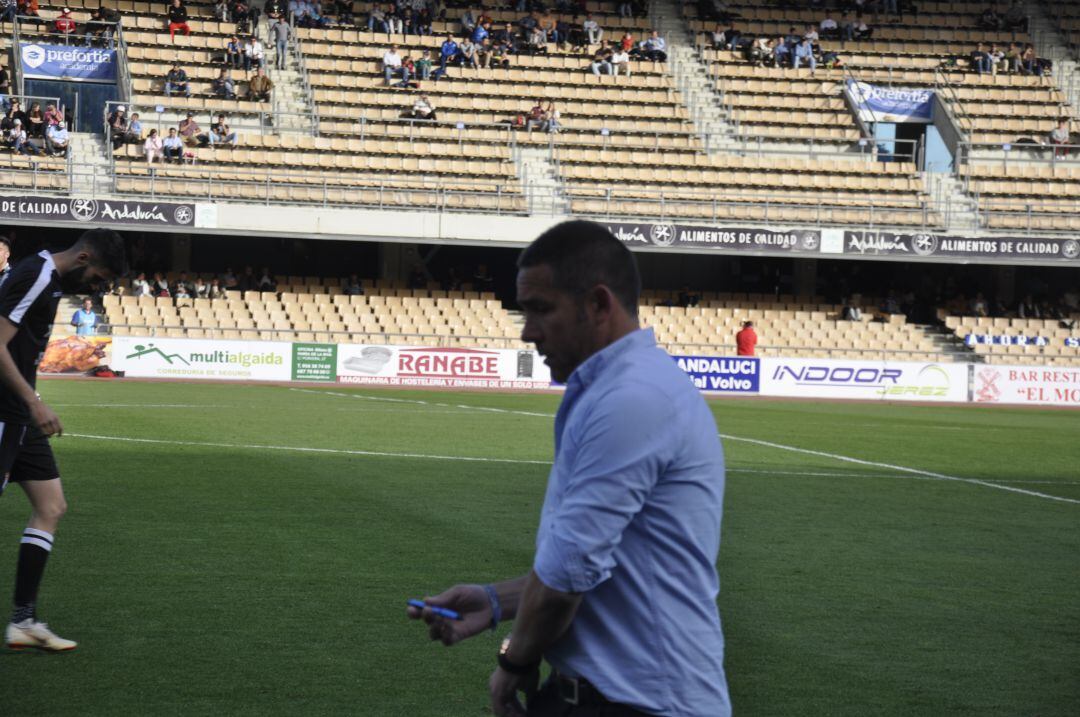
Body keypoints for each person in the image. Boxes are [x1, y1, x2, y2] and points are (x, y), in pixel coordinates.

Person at [408, 221, 731, 717]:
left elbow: (567, 578)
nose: (527, 331)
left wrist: (514, 664)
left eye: (540, 309)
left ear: (599, 304)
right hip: (601, 698)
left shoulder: (632, 398)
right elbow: (599, 567)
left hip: (638, 705)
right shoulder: (618, 388)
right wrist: (494, 601)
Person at [0, 228, 127, 653]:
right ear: (84, 257)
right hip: (5, 410)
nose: (98, 287)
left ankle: (23, 622)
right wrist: (34, 403)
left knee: (51, 507)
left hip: (19, 414)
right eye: (98, 278)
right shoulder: (33, 274)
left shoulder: (46, 279)